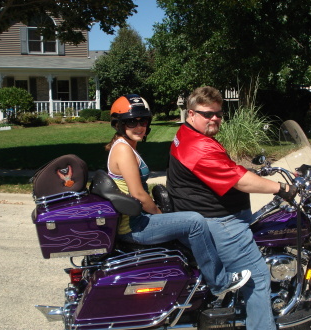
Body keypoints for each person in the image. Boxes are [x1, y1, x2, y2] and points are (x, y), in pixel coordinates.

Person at [166, 86, 297, 330]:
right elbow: (239, 181)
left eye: (218, 113)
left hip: (204, 214)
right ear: (191, 114)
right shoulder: (199, 148)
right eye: (207, 114)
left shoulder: (186, 135)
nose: (214, 118)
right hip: (220, 221)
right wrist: (281, 188)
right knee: (258, 279)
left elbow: (226, 169)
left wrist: (258, 173)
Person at [105, 94, 251, 297]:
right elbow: (138, 194)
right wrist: (158, 215)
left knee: (185, 219)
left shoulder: (125, 146)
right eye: (131, 121)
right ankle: (219, 282)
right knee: (194, 221)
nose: (139, 126)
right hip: (134, 226)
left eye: (143, 121)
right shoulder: (123, 150)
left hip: (136, 220)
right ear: (118, 124)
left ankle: (196, 273)